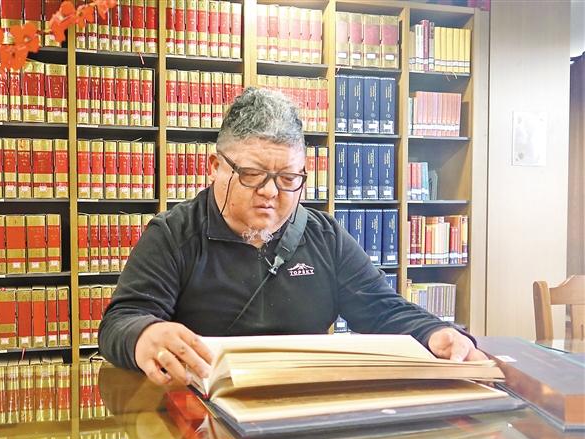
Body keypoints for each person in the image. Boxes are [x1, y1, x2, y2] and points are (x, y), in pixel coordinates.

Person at [99, 87, 487, 386]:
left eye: (288, 178)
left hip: (301, 405)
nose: (270, 192)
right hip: (199, 414)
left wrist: (437, 332)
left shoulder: (324, 236)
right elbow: (120, 322)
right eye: (252, 175)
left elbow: (382, 309)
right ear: (215, 167)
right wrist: (146, 334)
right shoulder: (174, 234)